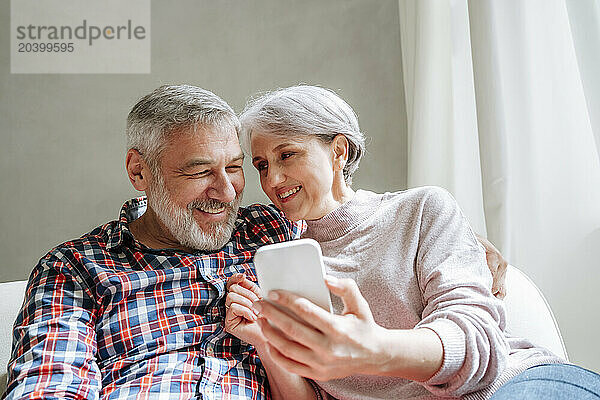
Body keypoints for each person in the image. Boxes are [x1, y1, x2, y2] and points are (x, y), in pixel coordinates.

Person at [3, 84, 507, 400]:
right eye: (200, 172)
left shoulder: (272, 232)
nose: (227, 192)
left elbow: (357, 219)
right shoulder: (76, 268)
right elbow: (48, 382)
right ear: (140, 170)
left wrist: (464, 241)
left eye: (237, 169)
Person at [225, 85, 600, 399]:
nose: (272, 179)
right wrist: (265, 341)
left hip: (512, 386)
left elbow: (477, 346)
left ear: (338, 151)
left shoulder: (421, 209)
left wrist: (374, 349)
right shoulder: (282, 263)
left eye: (287, 155)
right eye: (261, 165)